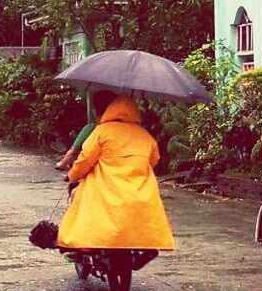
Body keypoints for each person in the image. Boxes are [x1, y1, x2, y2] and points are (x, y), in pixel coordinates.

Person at [55, 89, 175, 252]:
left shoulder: (101, 132)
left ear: (99, 111)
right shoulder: (144, 134)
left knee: (80, 198)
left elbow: (85, 160)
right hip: (139, 193)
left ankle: (84, 246)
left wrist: (72, 175)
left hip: (105, 190)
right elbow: (154, 160)